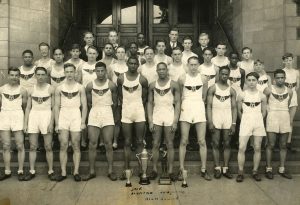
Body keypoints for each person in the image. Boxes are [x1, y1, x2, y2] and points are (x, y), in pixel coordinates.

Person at [177, 56, 211, 181]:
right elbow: (180, 96)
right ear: (187, 65)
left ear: (198, 65)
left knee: (202, 141)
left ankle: (203, 169)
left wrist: (198, 104)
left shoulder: (203, 78)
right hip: (186, 107)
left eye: (195, 64)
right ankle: (181, 169)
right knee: (184, 140)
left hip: (198, 107)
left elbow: (204, 96)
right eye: (191, 65)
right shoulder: (182, 78)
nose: (193, 67)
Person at [83, 62, 118, 181]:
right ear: (95, 71)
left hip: (107, 112)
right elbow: (89, 103)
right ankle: (91, 171)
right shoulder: (90, 85)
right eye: (98, 71)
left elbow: (115, 104)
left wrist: (108, 113)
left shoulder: (112, 85)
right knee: (92, 143)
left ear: (106, 71)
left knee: (108, 143)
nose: (100, 73)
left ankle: (110, 171)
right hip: (94, 113)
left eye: (102, 71)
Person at [147, 62, 181, 181]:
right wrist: (150, 121)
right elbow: (150, 103)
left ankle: (171, 171)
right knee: (155, 143)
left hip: (169, 115)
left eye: (163, 69)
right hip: (157, 115)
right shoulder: (152, 85)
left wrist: (175, 121)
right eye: (159, 69)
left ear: (167, 70)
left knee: (170, 144)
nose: (161, 71)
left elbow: (177, 104)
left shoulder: (174, 84)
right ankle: (155, 170)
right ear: (156, 71)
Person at [54, 63, 88, 182]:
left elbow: (84, 106)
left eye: (71, 72)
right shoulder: (59, 88)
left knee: (75, 145)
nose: (69, 74)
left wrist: (83, 121)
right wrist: (57, 123)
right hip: (63, 115)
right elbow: (56, 106)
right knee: (63, 144)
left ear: (75, 73)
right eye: (67, 72)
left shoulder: (80, 87)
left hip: (75, 115)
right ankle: (63, 172)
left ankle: (76, 172)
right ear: (64, 73)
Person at [117, 56, 148, 179]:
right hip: (126, 113)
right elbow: (120, 96)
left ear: (138, 65)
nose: (133, 65)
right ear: (127, 64)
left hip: (139, 112)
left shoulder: (143, 80)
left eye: (135, 63)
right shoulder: (120, 78)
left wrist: (137, 107)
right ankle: (126, 169)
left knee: (140, 141)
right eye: (131, 63)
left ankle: (142, 169)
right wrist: (126, 107)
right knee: (127, 141)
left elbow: (144, 98)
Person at [23, 67, 56, 181]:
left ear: (46, 76)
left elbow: (54, 108)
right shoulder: (31, 90)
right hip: (34, 116)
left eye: (43, 74)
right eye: (39, 74)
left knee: (48, 146)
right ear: (35, 75)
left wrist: (52, 123)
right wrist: (25, 123)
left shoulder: (51, 89)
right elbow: (27, 108)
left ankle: (51, 171)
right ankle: (32, 171)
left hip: (46, 116)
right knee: (32, 146)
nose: (41, 77)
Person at [206, 66, 237, 179]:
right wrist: (210, 122)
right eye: (222, 74)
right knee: (215, 143)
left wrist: (233, 124)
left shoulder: (232, 90)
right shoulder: (213, 88)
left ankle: (226, 168)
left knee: (227, 143)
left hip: (227, 117)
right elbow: (208, 106)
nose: (224, 76)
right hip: (216, 116)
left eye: (226, 74)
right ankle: (217, 168)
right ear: (219, 74)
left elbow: (234, 108)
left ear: (229, 75)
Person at [236, 72, 267, 182]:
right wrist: (244, 119)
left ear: (257, 81)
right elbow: (239, 111)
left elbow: (264, 112)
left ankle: (255, 171)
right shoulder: (242, 95)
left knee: (257, 147)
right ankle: (240, 172)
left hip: (258, 121)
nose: (251, 82)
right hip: (246, 121)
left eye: (254, 80)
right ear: (246, 81)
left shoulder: (262, 95)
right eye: (249, 80)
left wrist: (257, 120)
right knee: (241, 147)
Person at [264, 69, 293, 180]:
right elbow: (264, 103)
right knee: (270, 144)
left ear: (285, 78)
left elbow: (288, 104)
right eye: (278, 78)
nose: (280, 79)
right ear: (274, 79)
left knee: (283, 145)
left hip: (284, 116)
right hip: (272, 116)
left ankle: (282, 168)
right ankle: (268, 169)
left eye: (282, 77)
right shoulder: (268, 90)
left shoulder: (289, 91)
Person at [0, 67, 27, 181]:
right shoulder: (1, 89)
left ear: (19, 76)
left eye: (16, 75)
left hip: (17, 115)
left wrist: (25, 122)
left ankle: (20, 171)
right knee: (6, 145)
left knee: (20, 145)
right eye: (12, 75)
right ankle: (7, 171)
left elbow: (25, 107)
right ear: (8, 76)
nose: (14, 77)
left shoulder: (23, 90)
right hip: (5, 115)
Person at [108, 46, 128, 149]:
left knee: (126, 119)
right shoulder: (112, 67)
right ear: (116, 54)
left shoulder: (128, 66)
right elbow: (109, 81)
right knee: (116, 119)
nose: (120, 54)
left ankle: (127, 140)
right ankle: (114, 141)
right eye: (118, 52)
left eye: (122, 52)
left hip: (126, 95)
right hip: (114, 95)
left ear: (125, 54)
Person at [282, 53, 299, 151]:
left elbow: (298, 85)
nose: (288, 62)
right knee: (283, 118)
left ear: (292, 60)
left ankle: (288, 141)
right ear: (283, 61)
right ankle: (281, 141)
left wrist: (293, 91)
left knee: (290, 121)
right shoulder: (282, 72)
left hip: (293, 96)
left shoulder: (296, 72)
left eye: (290, 60)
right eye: (286, 60)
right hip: (284, 96)